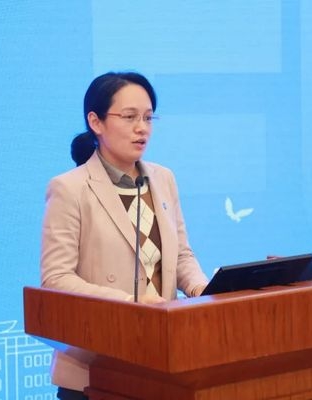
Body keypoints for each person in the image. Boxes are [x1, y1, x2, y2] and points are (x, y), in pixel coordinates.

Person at [40, 71, 209, 400]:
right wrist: (131, 305)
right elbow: (56, 279)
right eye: (130, 117)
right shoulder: (69, 189)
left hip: (161, 364)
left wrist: (201, 289)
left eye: (148, 117)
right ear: (96, 122)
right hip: (95, 370)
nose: (142, 128)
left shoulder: (163, 179)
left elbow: (180, 255)